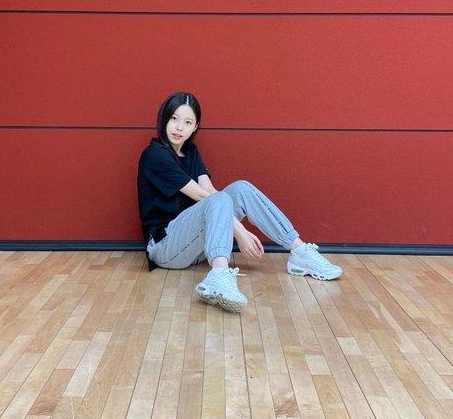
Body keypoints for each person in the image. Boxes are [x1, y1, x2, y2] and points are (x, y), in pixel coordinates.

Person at [137, 91, 342, 313]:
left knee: (240, 188)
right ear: (164, 119)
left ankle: (300, 251)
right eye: (174, 119)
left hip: (194, 247)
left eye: (187, 122)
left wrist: (235, 228)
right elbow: (202, 196)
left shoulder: (191, 152)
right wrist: (241, 232)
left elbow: (209, 190)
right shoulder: (154, 155)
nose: (179, 127)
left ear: (195, 127)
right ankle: (218, 275)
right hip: (164, 247)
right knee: (218, 199)